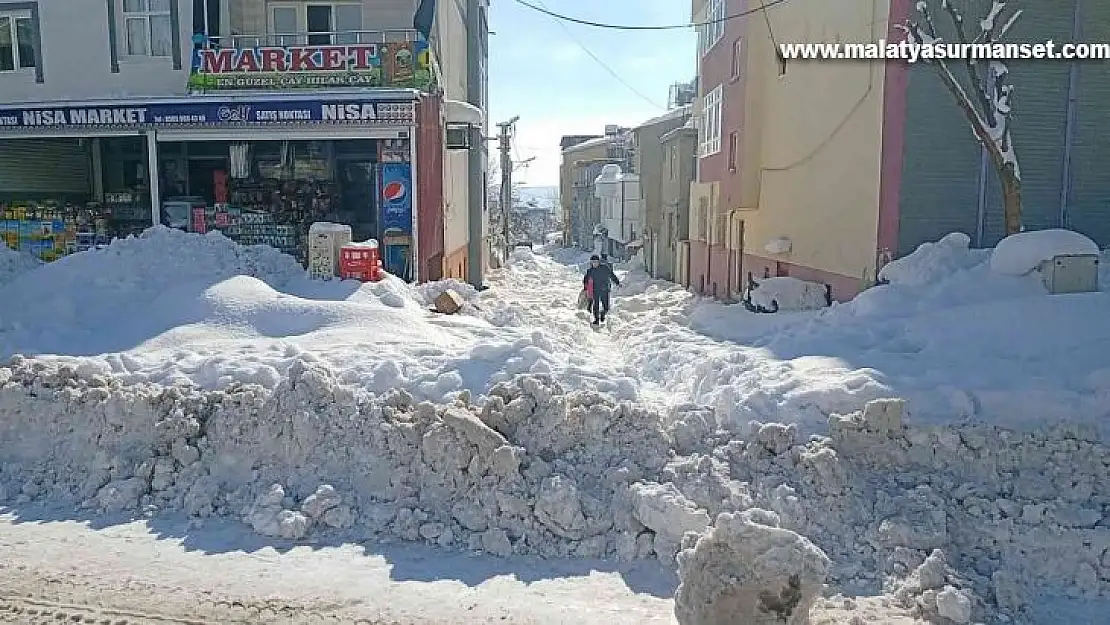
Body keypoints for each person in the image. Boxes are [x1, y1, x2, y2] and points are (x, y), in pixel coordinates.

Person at [583, 254, 619, 325]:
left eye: (596, 262)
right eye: (593, 262)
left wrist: (617, 282)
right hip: (595, 290)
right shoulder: (590, 271)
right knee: (595, 306)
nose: (594, 264)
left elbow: (611, 275)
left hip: (605, 290)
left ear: (599, 262)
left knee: (606, 307)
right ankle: (596, 319)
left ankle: (602, 314)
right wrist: (586, 287)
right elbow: (585, 280)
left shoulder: (605, 268)